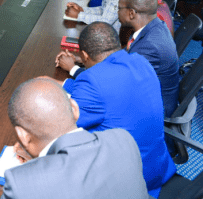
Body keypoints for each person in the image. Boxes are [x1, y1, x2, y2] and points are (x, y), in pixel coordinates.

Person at [61, 22, 176, 198]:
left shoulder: (92, 79)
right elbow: (112, 94)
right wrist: (65, 84)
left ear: (84, 55)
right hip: (157, 167)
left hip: (128, 183)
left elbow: (63, 125)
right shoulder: (140, 61)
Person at [1, 77, 150, 199]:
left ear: (23, 136)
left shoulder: (20, 186)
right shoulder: (122, 139)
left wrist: (34, 165)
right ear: (75, 109)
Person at [118, 0, 179, 117]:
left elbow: (122, 86)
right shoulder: (155, 25)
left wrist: (76, 70)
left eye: (119, 8)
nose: (117, 12)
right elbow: (126, 53)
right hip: (149, 94)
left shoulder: (149, 46)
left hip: (151, 111)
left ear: (131, 13)